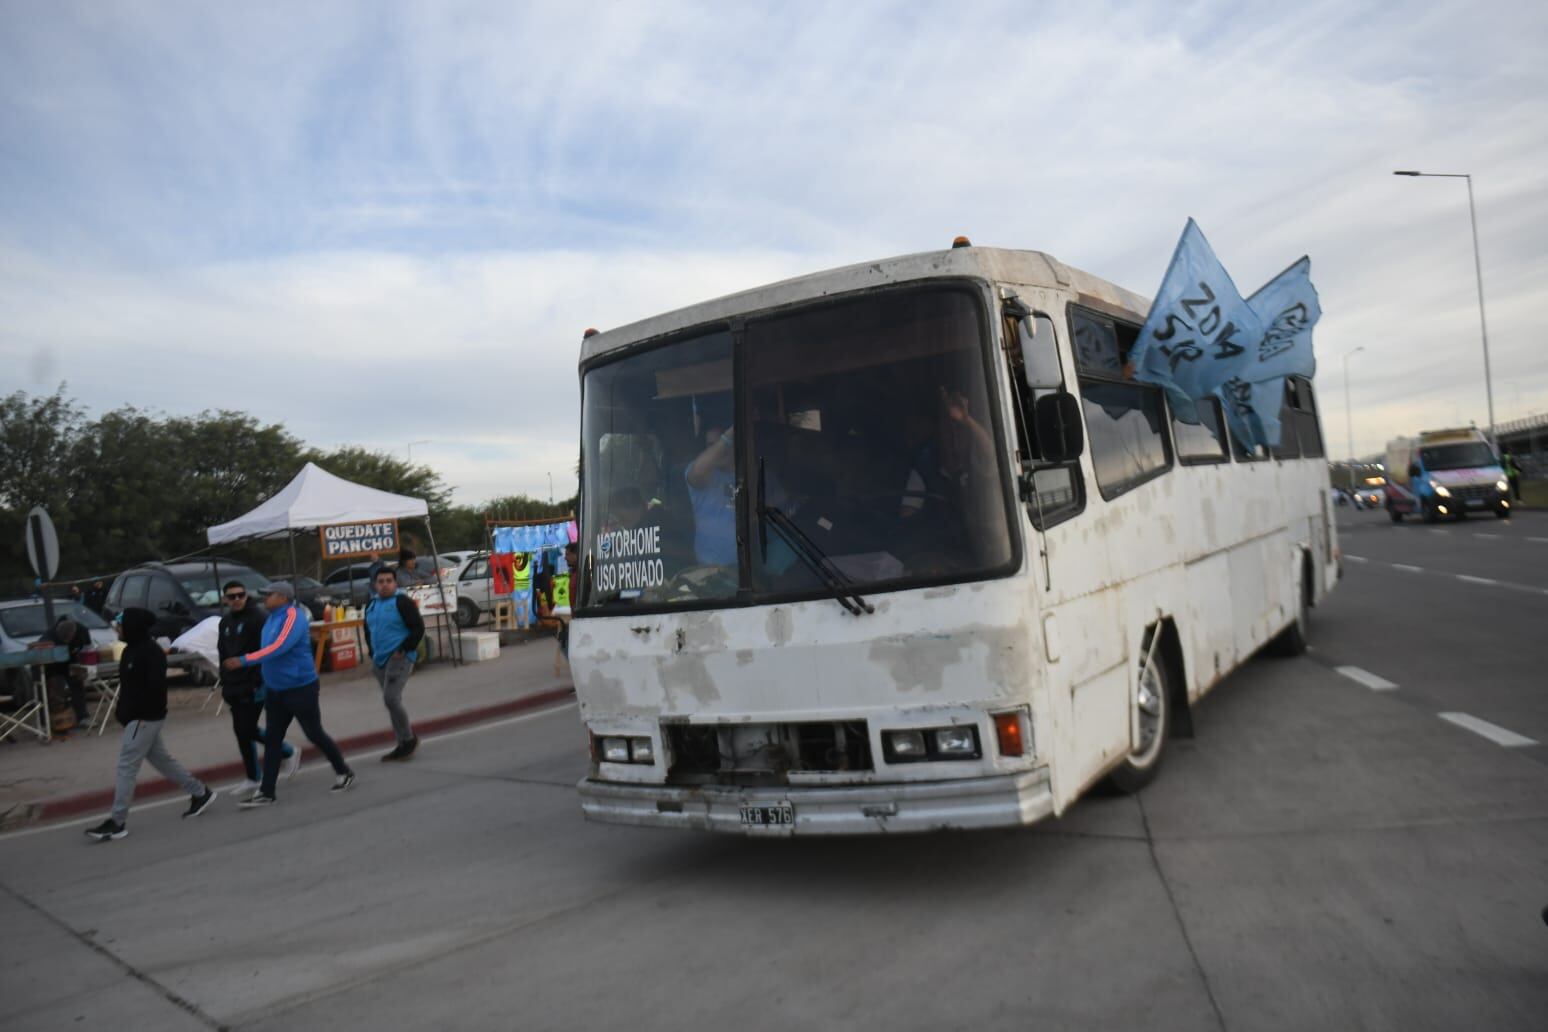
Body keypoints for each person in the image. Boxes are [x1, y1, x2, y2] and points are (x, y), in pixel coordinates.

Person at [85, 609, 216, 841]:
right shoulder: (130, 651)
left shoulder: (150, 652)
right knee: (162, 760)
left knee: (126, 766)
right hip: (138, 718)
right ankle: (200, 792)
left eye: (120, 623)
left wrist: (141, 716)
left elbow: (155, 689)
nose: (117, 628)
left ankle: (117, 822)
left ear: (133, 625)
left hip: (145, 719)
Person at [223, 582, 355, 807]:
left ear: (283, 597)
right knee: (273, 739)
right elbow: (266, 648)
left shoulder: (293, 617)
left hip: (300, 687)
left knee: (314, 733)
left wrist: (244, 660)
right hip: (276, 690)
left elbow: (278, 647)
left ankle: (344, 771)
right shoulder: (271, 617)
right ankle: (267, 792)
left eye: (269, 594)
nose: (264, 598)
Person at [216, 580, 299, 793]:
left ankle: (287, 751)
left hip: (255, 683)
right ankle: (253, 776)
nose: (236, 600)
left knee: (247, 728)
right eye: (231, 596)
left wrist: (257, 679)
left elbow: (267, 650)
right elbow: (223, 653)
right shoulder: (224, 622)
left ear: (246, 595)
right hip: (233, 684)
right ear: (225, 598)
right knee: (241, 730)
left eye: (240, 595)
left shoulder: (259, 617)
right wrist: (224, 679)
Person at [363, 567, 423, 761]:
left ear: (395, 583)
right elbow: (367, 630)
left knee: (391, 699)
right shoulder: (371, 604)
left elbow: (418, 628)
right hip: (380, 660)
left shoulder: (402, 601)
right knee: (391, 702)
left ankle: (409, 738)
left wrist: (403, 649)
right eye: (381, 581)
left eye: (389, 580)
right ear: (375, 584)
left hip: (399, 657)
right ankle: (402, 744)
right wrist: (372, 652)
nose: (385, 584)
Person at [684, 423, 737, 566]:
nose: (721, 450)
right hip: (711, 569)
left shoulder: (752, 472)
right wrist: (730, 434)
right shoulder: (700, 473)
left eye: (726, 444)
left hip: (749, 568)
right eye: (712, 445)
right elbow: (700, 470)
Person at [42, 615, 92, 728]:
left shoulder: (83, 631)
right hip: (53, 665)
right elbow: (42, 656)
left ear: (74, 632)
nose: (67, 642)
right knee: (54, 691)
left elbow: (88, 650)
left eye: (69, 639)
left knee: (78, 685)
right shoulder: (49, 636)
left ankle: (82, 717)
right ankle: (49, 721)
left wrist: (86, 668)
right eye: (63, 640)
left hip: (72, 661)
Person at [510, 553, 533, 629]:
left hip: (520, 581)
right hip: (526, 580)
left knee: (520, 603)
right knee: (526, 602)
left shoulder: (514, 552)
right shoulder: (528, 551)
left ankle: (523, 621)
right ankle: (528, 620)